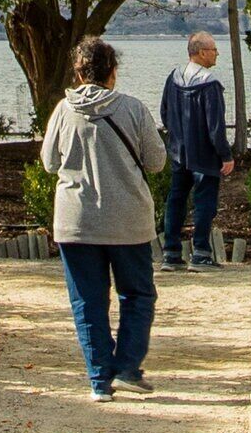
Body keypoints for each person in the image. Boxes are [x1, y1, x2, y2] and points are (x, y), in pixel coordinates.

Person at [40, 35, 166, 401]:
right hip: (128, 220)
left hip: (76, 222)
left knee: (88, 301)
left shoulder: (63, 111)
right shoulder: (133, 109)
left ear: (78, 73)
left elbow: (49, 162)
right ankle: (127, 367)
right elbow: (156, 162)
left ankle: (99, 380)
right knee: (137, 294)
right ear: (112, 71)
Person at [158, 31, 232, 270]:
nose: (216, 53)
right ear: (201, 52)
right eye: (213, 49)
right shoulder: (209, 83)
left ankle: (171, 253)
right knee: (204, 202)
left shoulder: (174, 77)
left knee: (176, 199)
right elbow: (216, 125)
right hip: (204, 154)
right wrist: (225, 155)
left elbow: (165, 113)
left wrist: (176, 138)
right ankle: (200, 252)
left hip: (179, 151)